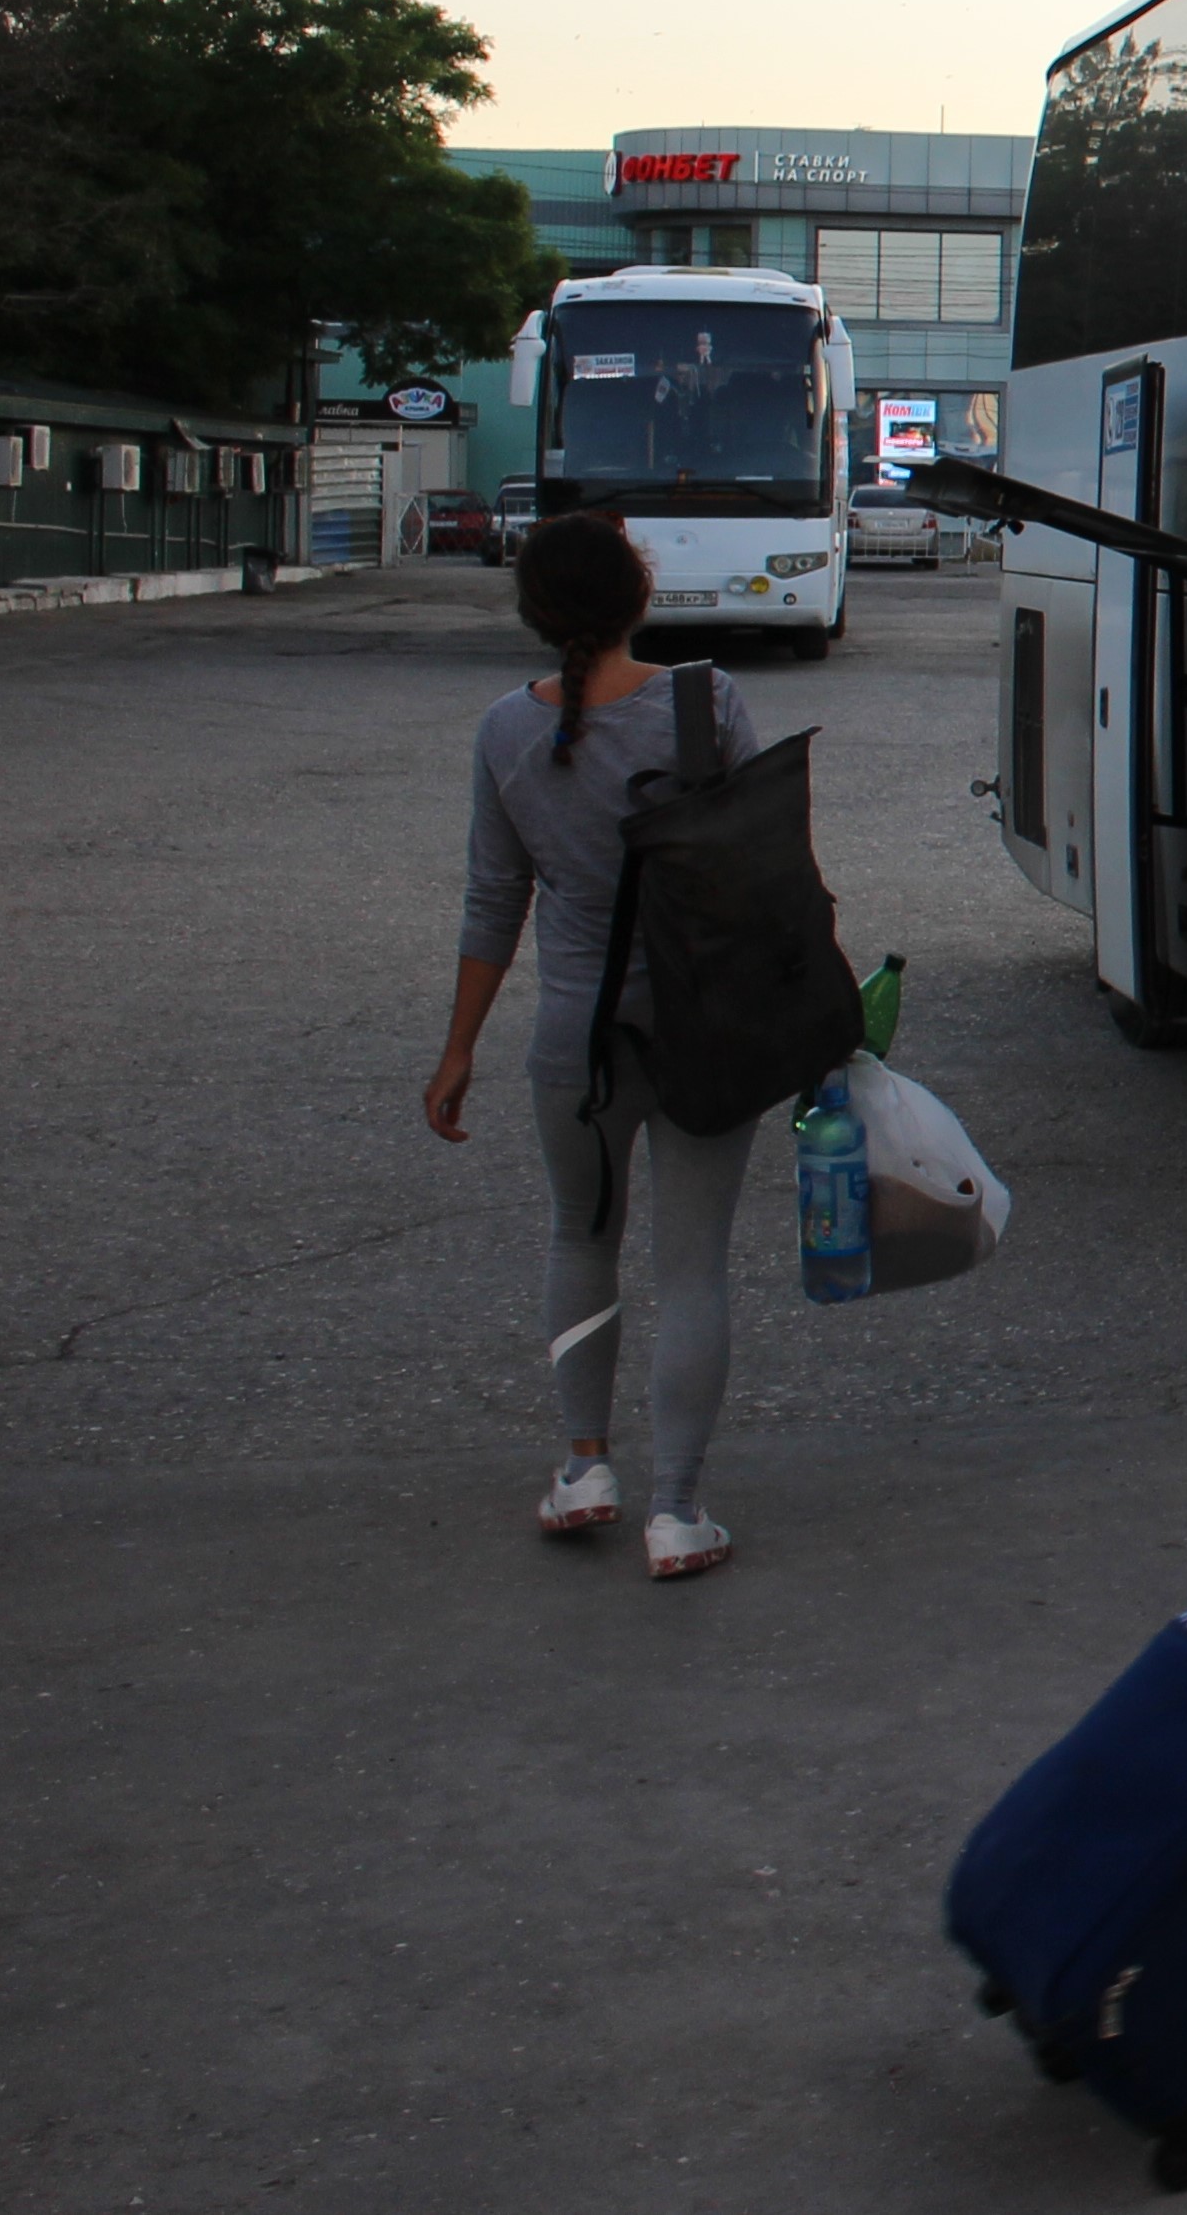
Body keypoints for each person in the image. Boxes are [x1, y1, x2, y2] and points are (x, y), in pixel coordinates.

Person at [423, 512, 766, 1580]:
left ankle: (585, 1467)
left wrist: (457, 1049)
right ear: (639, 594)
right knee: (693, 1264)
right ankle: (678, 1508)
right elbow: (766, 875)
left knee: (582, 1236)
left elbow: (494, 903)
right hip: (704, 1029)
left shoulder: (502, 733)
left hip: (574, 1037)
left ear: (534, 613)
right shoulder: (707, 705)